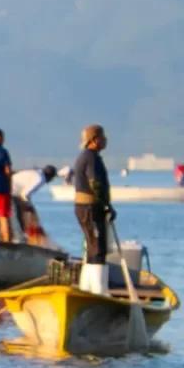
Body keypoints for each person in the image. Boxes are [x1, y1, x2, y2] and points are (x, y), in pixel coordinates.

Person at [72, 125, 115, 295]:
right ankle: (99, 291)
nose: (105, 140)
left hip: (84, 207)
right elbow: (95, 183)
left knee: (91, 247)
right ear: (95, 140)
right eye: (103, 137)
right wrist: (106, 205)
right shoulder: (91, 158)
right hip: (90, 207)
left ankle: (86, 289)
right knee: (98, 249)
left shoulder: (86, 156)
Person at [11, 165, 59, 247]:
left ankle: (19, 238)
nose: (51, 180)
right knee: (20, 218)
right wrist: (29, 206)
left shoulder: (37, 174)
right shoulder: (40, 179)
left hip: (9, 190)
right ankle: (19, 240)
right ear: (50, 176)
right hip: (11, 192)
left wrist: (28, 204)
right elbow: (25, 194)